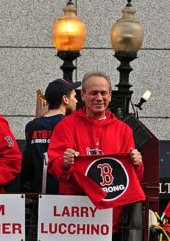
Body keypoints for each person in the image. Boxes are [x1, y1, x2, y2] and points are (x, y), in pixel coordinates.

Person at [47, 72, 144, 239]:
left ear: (110, 96)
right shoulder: (66, 126)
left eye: (103, 93)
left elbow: (132, 179)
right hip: (75, 218)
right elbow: (53, 166)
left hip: (109, 221)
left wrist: (137, 163)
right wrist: (65, 163)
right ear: (82, 95)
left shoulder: (124, 130)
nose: (99, 98)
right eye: (93, 93)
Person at [22, 78, 79, 193]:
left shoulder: (31, 126)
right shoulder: (69, 125)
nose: (76, 101)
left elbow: (28, 161)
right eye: (74, 96)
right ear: (65, 99)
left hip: (37, 192)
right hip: (62, 192)